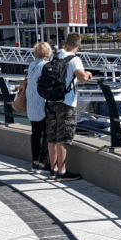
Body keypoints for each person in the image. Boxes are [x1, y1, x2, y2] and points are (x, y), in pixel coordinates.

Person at [45, 32, 93, 181]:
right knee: (63, 138)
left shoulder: (55, 56)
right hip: (66, 103)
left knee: (51, 137)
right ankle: (62, 172)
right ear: (78, 46)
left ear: (67, 43)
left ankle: (52, 170)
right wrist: (88, 74)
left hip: (51, 101)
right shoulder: (75, 59)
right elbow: (82, 77)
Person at [26, 41, 52, 172]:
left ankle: (34, 162)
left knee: (35, 133)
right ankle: (43, 163)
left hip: (30, 103)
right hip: (41, 103)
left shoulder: (32, 65)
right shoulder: (46, 65)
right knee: (47, 133)